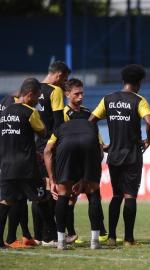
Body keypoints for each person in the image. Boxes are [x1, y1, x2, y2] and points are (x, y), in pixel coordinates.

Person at [90, 64, 150, 246]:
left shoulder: (108, 99)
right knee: (130, 196)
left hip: (114, 155)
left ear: (123, 80)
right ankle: (128, 239)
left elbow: (91, 121)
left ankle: (111, 237)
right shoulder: (139, 100)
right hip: (133, 155)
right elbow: (149, 122)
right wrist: (148, 139)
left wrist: (100, 143)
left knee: (116, 195)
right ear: (139, 83)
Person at [0, 78, 54, 249]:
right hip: (26, 166)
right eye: (37, 97)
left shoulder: (4, 113)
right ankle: (51, 237)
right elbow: (43, 131)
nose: (38, 101)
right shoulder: (30, 112)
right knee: (42, 198)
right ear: (30, 94)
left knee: (7, 201)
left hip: (6, 166)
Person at [60, 78, 108, 245]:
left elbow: (95, 134)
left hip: (89, 160)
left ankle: (101, 232)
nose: (80, 96)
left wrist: (102, 146)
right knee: (70, 197)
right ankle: (71, 233)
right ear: (67, 94)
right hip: (72, 162)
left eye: (82, 93)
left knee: (94, 194)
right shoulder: (63, 115)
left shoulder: (88, 113)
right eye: (76, 94)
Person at [44, 117, 104, 250]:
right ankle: (95, 242)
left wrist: (52, 180)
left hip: (66, 146)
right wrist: (86, 179)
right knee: (93, 192)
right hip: (89, 144)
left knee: (63, 193)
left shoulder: (59, 128)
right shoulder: (92, 127)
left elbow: (47, 151)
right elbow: (99, 152)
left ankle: (61, 242)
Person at [33, 60, 71, 246]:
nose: (64, 83)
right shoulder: (54, 92)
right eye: (65, 79)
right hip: (48, 146)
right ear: (59, 75)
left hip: (32, 147)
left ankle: (38, 235)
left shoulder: (33, 89)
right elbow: (58, 123)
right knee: (52, 190)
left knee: (38, 191)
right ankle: (50, 235)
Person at [0, 92, 37, 247]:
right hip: (18, 162)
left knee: (14, 199)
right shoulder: (19, 110)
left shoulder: (5, 111)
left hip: (6, 161)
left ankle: (23, 236)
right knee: (17, 199)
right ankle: (12, 238)